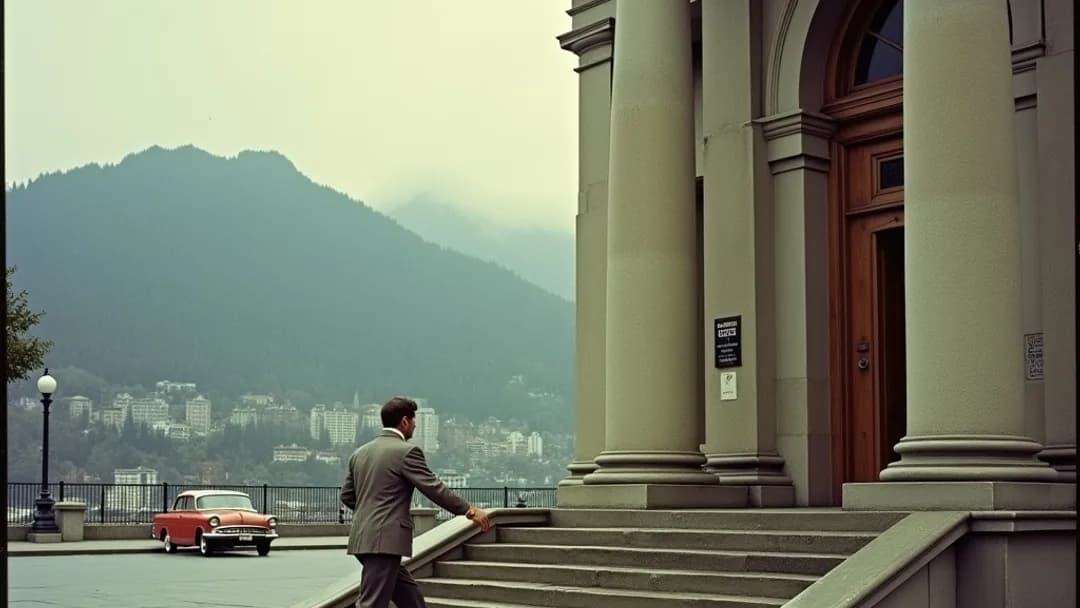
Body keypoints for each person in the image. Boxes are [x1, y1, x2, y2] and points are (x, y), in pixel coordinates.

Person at [340, 396, 491, 608]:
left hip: (362, 537)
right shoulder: (406, 452)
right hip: (384, 540)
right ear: (404, 421)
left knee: (410, 598)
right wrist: (469, 510)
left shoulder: (360, 453)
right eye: (413, 420)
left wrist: (369, 514)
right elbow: (434, 488)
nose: (415, 425)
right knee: (372, 603)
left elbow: (347, 496)